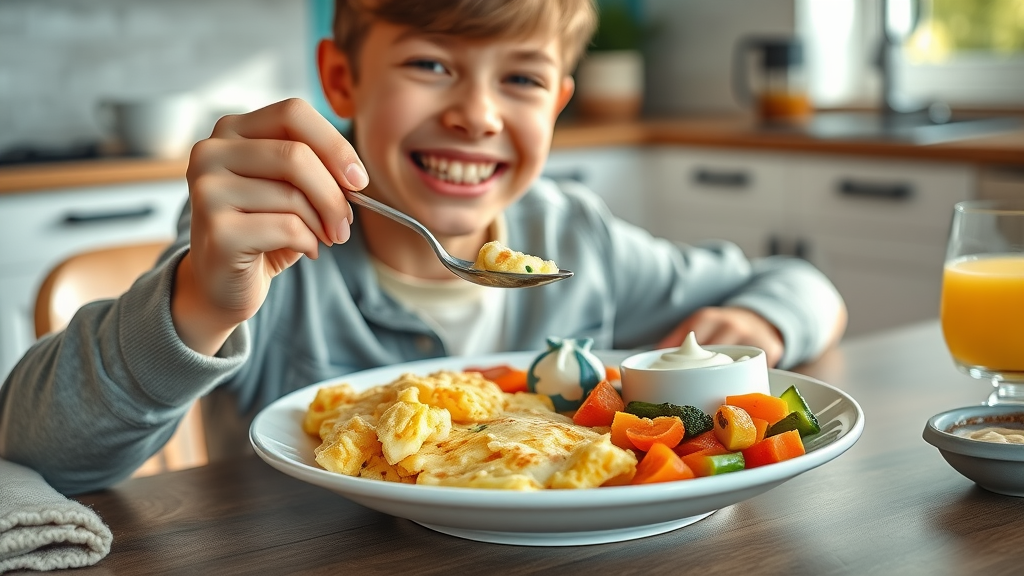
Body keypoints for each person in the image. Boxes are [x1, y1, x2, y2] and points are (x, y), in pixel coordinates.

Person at [0, 0, 846, 495]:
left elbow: (801, 284)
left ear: (557, 105)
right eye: (433, 65)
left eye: (520, 78)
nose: (476, 113)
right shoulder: (272, 257)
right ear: (342, 81)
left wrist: (750, 327)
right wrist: (195, 305)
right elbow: (35, 450)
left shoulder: (574, 236)